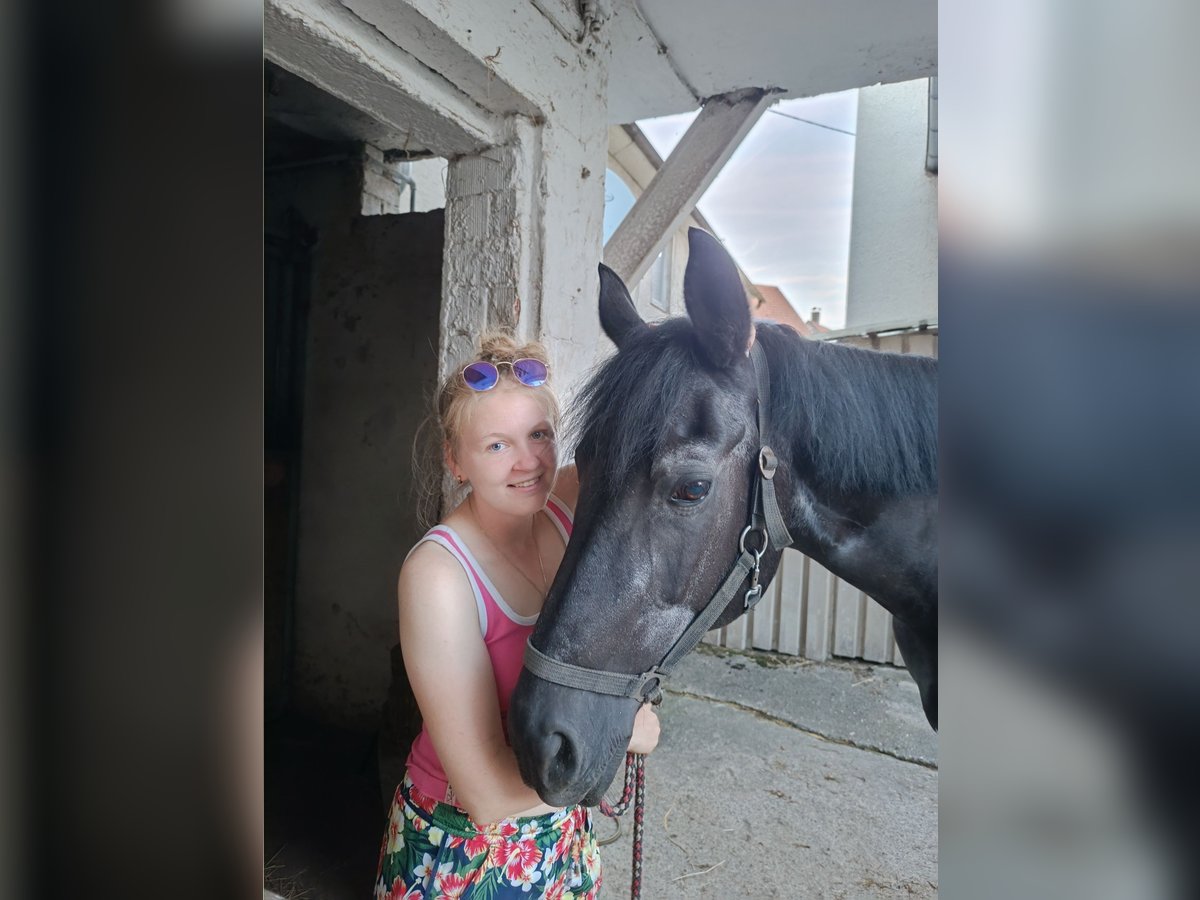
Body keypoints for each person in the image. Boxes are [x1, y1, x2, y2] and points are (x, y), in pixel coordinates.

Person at [375, 332, 660, 899]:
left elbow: (647, 446)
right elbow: (484, 793)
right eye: (497, 446)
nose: (528, 461)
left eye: (538, 435)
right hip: (464, 853)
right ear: (455, 461)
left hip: (563, 834)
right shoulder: (439, 576)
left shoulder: (563, 504)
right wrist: (619, 732)